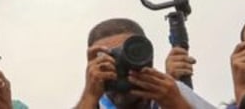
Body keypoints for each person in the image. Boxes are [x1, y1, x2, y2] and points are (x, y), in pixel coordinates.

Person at [76, 18, 213, 109]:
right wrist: (89, 97)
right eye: (109, 59)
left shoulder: (172, 92)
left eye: (127, 57)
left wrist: (175, 102)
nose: (120, 70)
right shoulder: (93, 102)